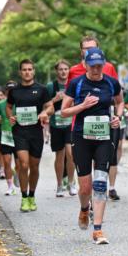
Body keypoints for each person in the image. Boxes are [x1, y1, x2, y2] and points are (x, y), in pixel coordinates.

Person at [62, 47, 124, 245]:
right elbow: (63, 112)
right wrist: (83, 106)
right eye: (92, 66)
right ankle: (83, 208)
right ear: (85, 65)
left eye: (100, 66)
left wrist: (117, 117)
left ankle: (97, 229)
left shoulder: (111, 83)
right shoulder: (76, 83)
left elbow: (120, 102)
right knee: (85, 187)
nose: (96, 69)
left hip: (104, 137)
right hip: (81, 137)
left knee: (100, 183)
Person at [67, 35, 121, 200]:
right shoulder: (74, 72)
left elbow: (116, 96)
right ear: (81, 51)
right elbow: (68, 101)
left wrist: (117, 117)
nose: (89, 51)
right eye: (86, 48)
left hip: (105, 124)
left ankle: (107, 189)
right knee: (85, 173)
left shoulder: (109, 68)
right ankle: (86, 197)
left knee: (101, 163)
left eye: (92, 48)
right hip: (80, 126)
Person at [7, 59, 52, 212]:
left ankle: (32, 195)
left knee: (34, 166)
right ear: (20, 72)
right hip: (20, 132)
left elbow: (50, 106)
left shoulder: (42, 89)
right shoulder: (14, 90)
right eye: (24, 69)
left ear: (33, 71)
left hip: (36, 132)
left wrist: (45, 113)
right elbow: (8, 106)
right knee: (23, 164)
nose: (27, 72)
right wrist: (10, 117)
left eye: (29, 69)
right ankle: (24, 197)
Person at [48, 60, 77, 197]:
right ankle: (59, 185)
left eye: (66, 69)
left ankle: (71, 183)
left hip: (70, 124)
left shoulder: (74, 84)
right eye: (61, 69)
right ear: (56, 71)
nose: (63, 71)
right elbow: (44, 105)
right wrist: (54, 99)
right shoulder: (51, 86)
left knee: (71, 154)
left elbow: (79, 102)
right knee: (59, 155)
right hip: (56, 124)